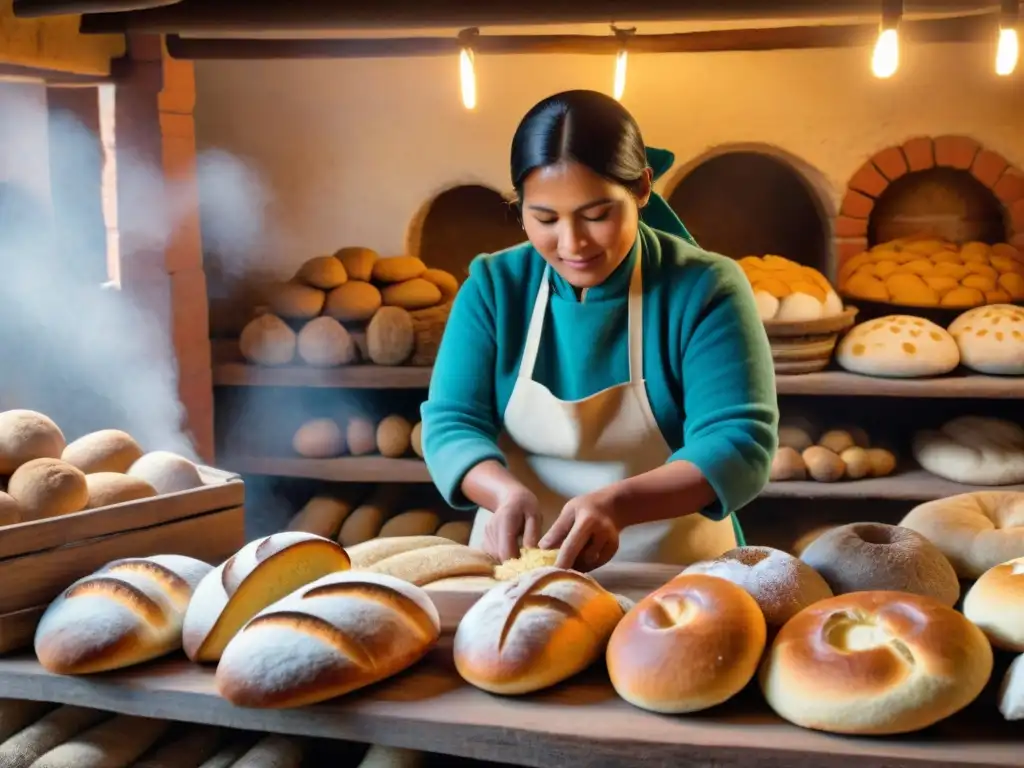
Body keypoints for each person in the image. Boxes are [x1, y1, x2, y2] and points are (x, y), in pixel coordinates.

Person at [420, 89, 778, 572]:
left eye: (596, 215)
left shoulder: (704, 287)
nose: (572, 244)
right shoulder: (494, 287)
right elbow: (450, 422)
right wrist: (501, 494)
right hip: (521, 571)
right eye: (544, 218)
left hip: (676, 574)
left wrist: (620, 505)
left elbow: (739, 442)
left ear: (643, 188)